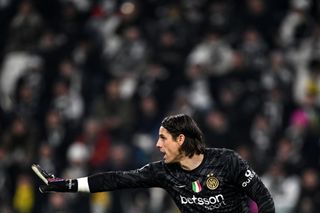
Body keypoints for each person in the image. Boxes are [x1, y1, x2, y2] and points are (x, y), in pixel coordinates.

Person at [32, 114, 275, 212]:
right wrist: (64, 184)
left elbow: (263, 199)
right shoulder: (163, 172)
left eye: (163, 138)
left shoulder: (227, 161)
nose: (157, 145)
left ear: (181, 139)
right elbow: (115, 180)